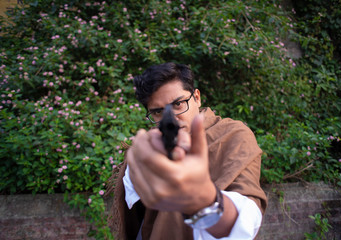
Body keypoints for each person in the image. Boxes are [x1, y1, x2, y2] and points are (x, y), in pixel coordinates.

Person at [108, 62, 267, 240]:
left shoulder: (233, 134)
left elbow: (248, 216)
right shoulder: (150, 149)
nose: (172, 118)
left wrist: (203, 199)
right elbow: (138, 216)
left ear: (197, 97)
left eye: (178, 104)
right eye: (158, 112)